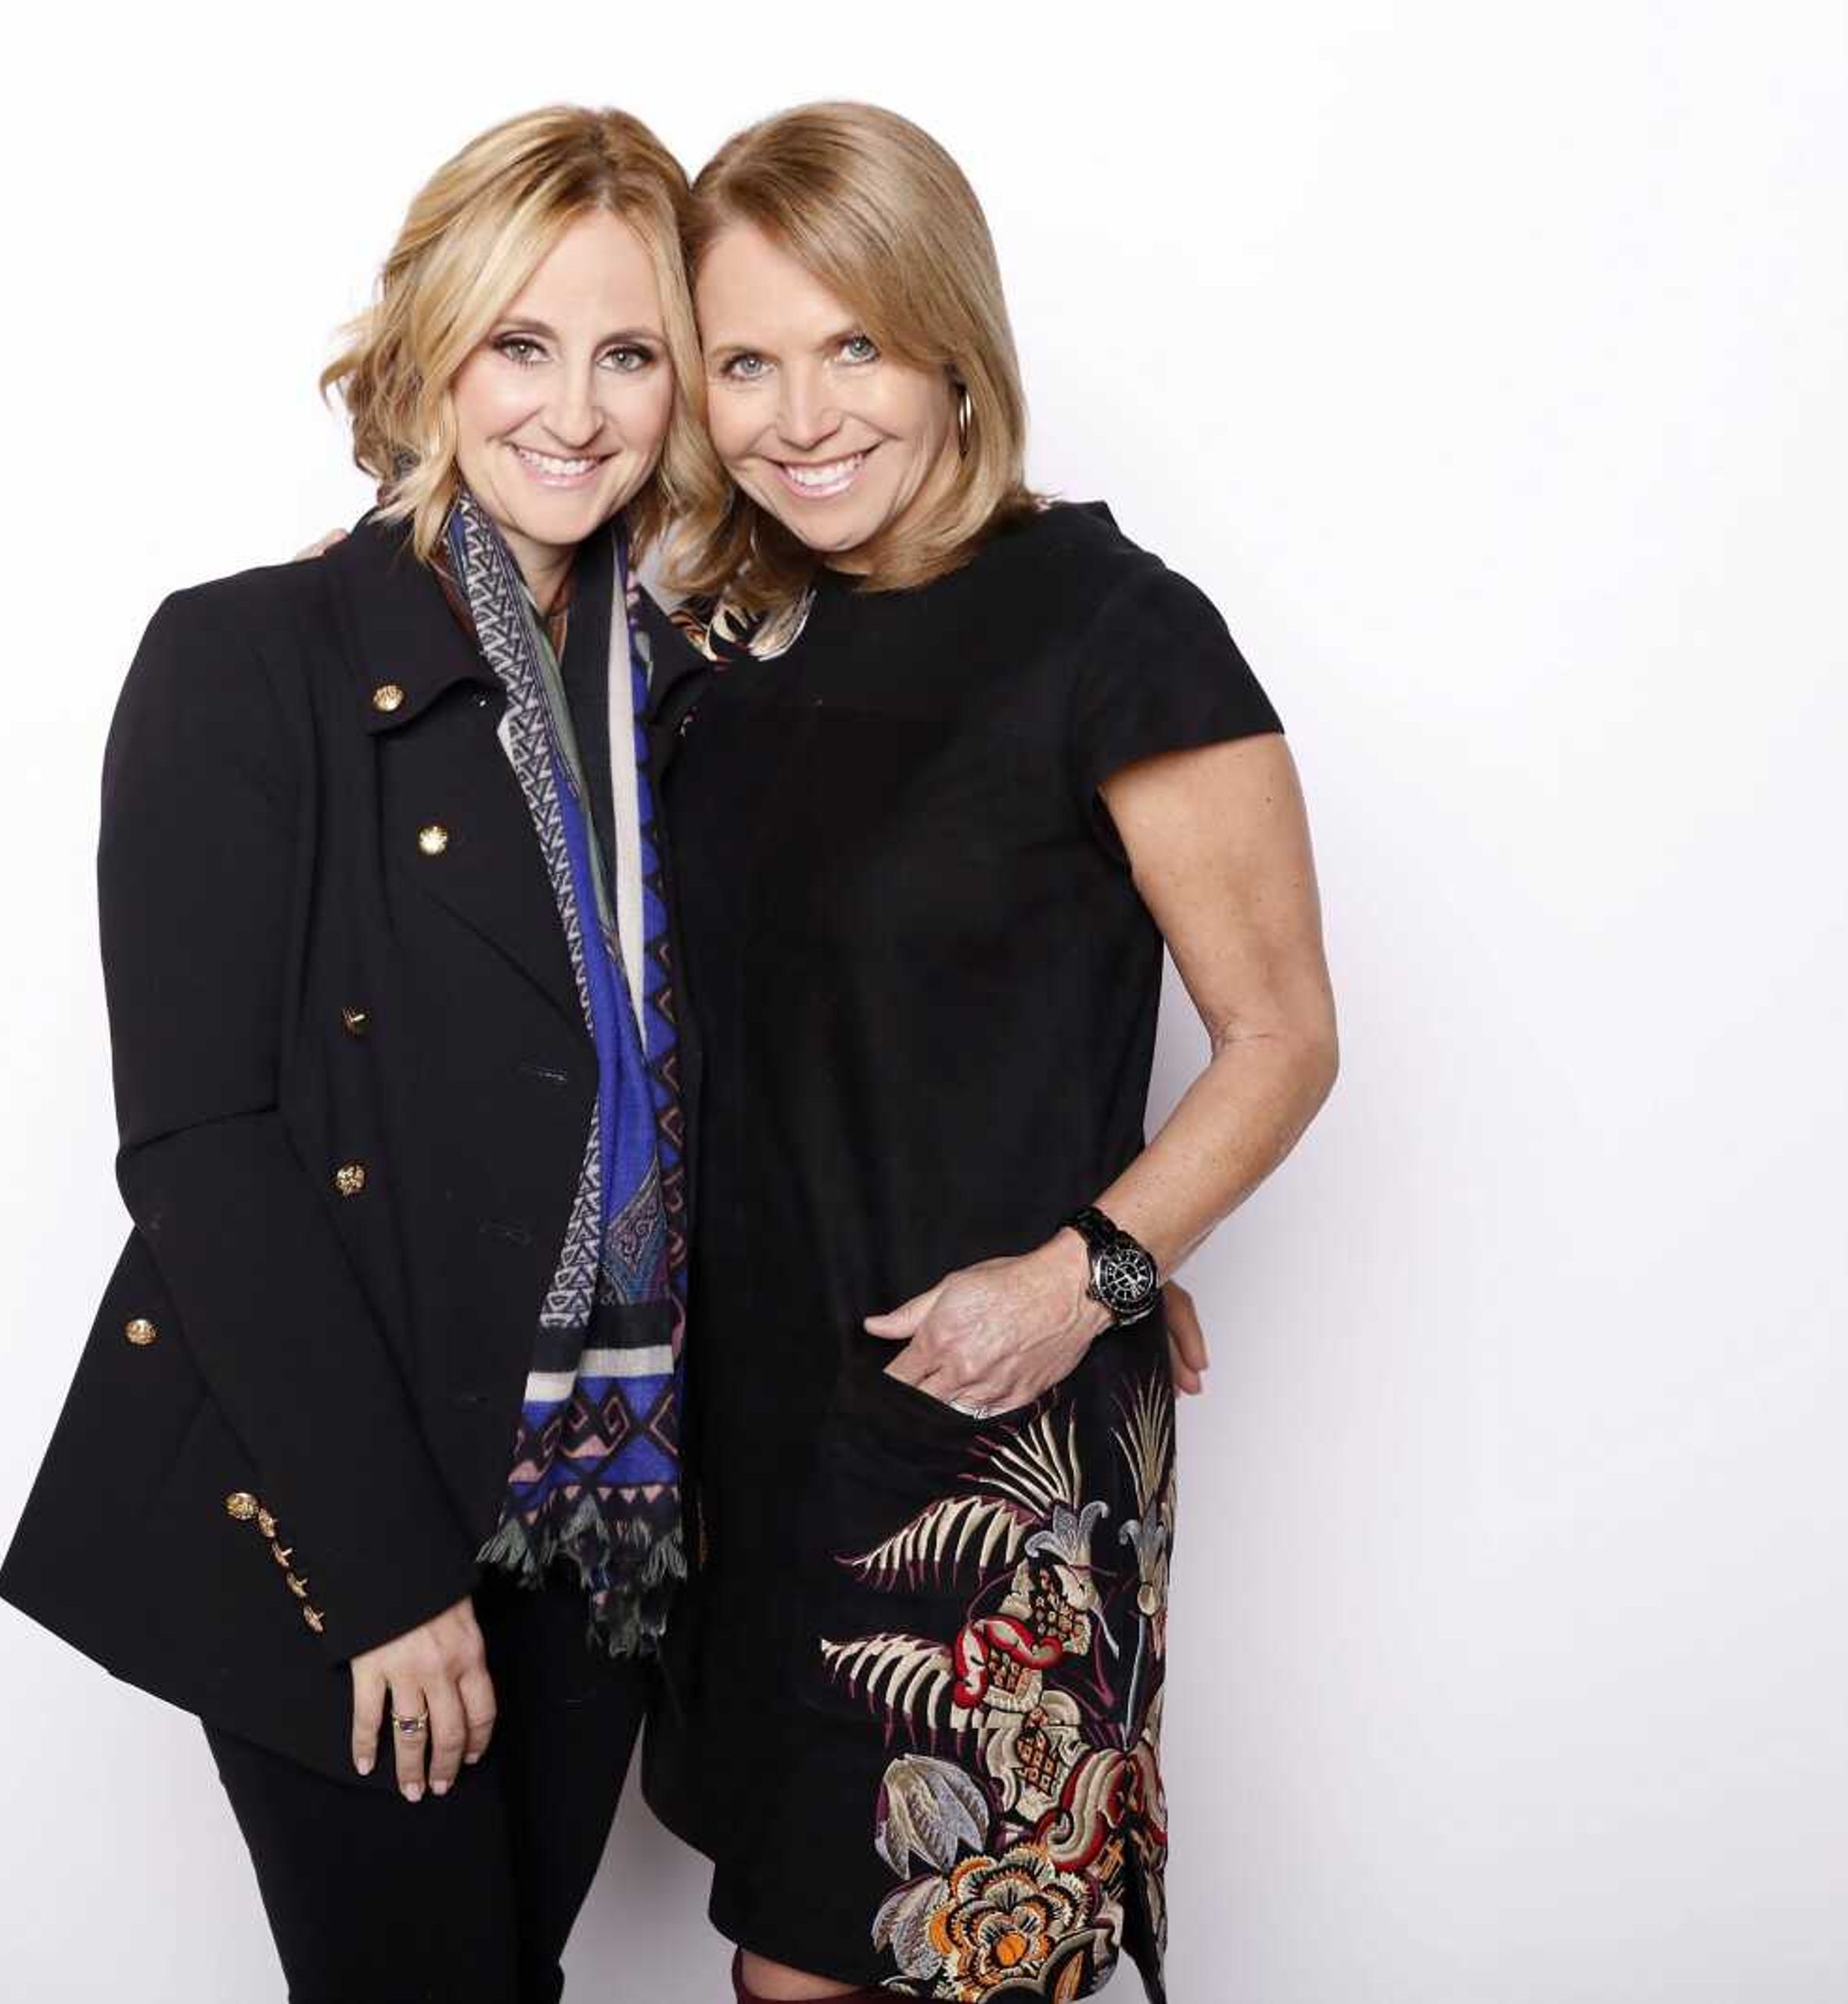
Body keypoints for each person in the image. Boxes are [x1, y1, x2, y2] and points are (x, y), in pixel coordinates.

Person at [0, 105, 721, 2004]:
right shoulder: (251, 662)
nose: (575, 410)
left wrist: (1096, 1233)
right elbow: (203, 1146)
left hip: (607, 1500)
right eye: (521, 345)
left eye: (629, 353)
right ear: (426, 359)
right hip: (341, 1506)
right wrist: (389, 1579)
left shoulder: (689, 702)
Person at [637, 103, 1342, 2004]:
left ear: (955, 346)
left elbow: (1281, 1036)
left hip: (985, 1426)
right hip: (753, 1428)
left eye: (851, 344)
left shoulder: (1115, 627)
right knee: (788, 1963)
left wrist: (1098, 1268)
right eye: (746, 362)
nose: (799, 416)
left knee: (910, 1966)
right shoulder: (722, 649)